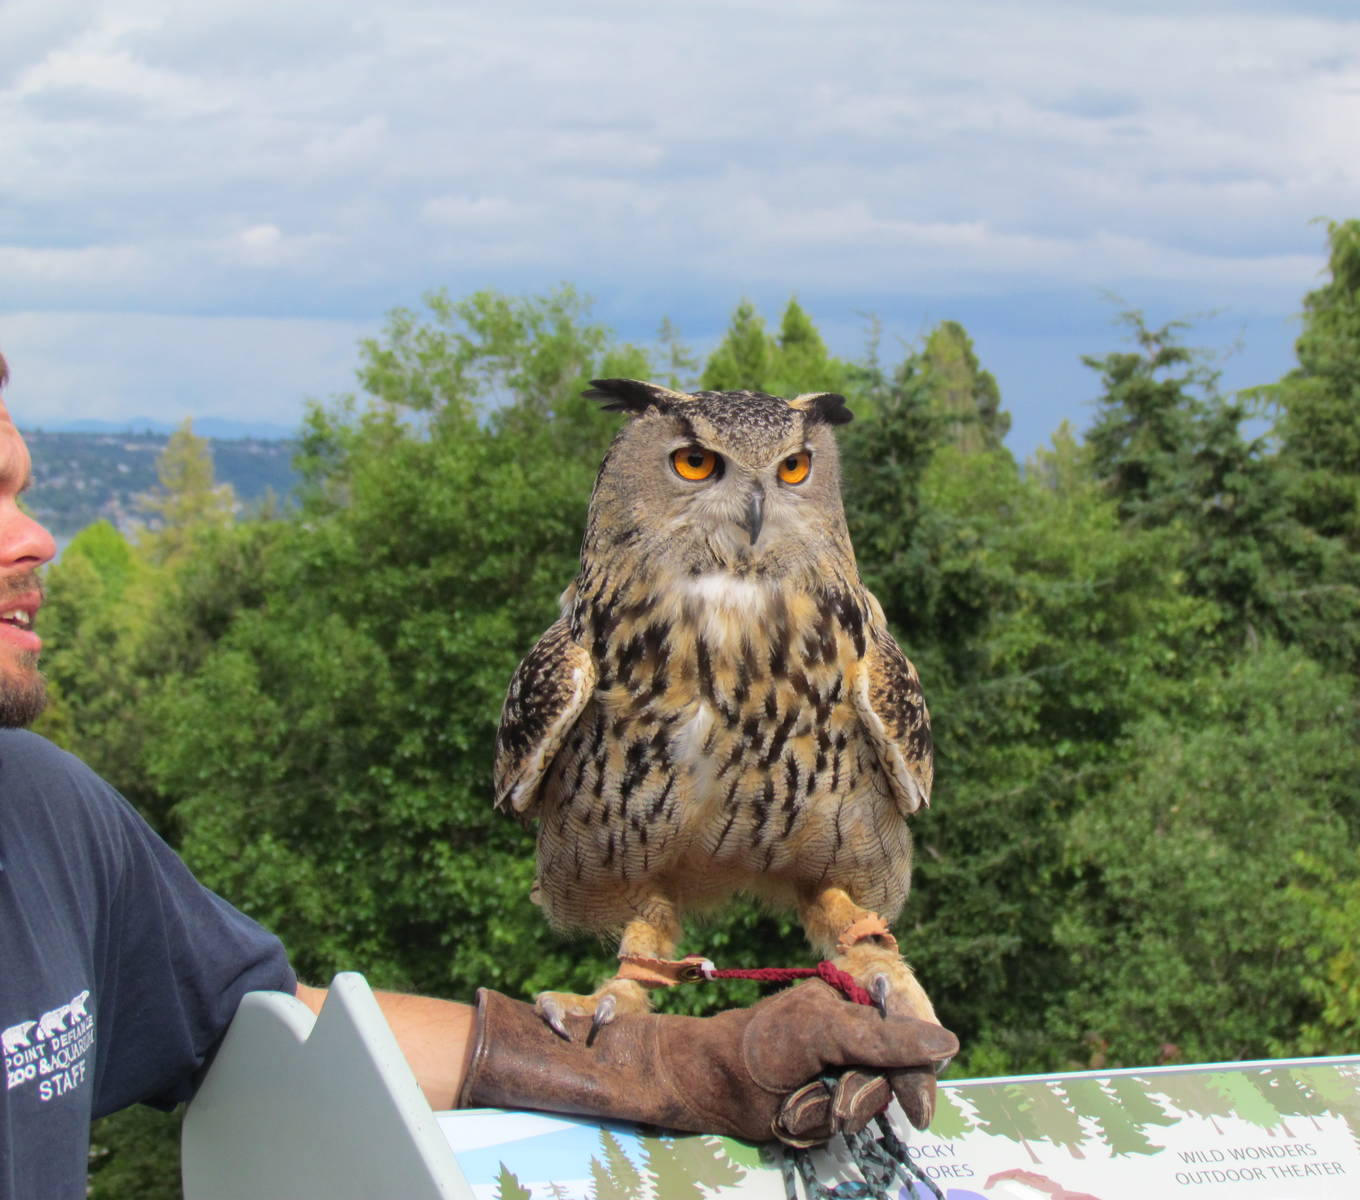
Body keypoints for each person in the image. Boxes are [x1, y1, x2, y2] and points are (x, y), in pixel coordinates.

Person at [0, 352, 957, 1200]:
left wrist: (667, 1068)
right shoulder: (583, 657)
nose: (39, 539)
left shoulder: (44, 816)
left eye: (791, 473)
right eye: (698, 465)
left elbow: (252, 1024)